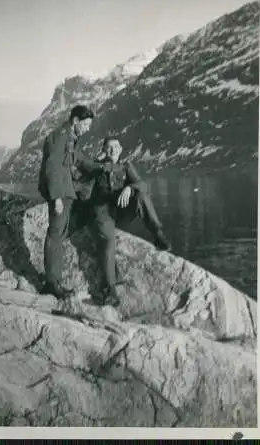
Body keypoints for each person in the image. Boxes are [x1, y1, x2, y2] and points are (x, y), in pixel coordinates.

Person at [90, 136, 172, 306]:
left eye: (116, 147)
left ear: (120, 149)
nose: (113, 150)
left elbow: (142, 185)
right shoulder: (95, 166)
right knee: (108, 241)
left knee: (141, 195)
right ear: (104, 150)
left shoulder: (126, 166)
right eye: (109, 147)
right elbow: (80, 180)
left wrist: (129, 187)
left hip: (120, 213)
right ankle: (110, 290)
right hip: (102, 212)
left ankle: (157, 234)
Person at [38, 104, 106, 300]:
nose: (87, 128)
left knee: (60, 232)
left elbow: (80, 159)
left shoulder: (70, 138)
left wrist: (99, 165)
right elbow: (52, 169)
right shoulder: (59, 137)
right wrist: (56, 198)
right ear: (75, 121)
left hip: (67, 188)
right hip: (60, 191)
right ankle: (51, 283)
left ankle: (54, 280)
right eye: (85, 124)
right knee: (55, 234)